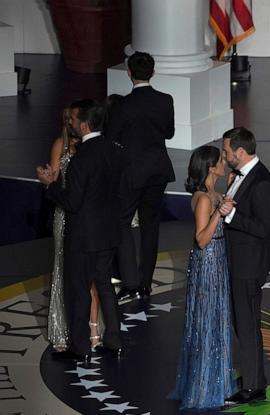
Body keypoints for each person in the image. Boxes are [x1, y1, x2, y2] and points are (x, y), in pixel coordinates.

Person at [43, 99, 124, 362]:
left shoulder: (82, 159)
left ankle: (80, 348)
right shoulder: (114, 150)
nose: (73, 123)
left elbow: (72, 202)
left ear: (85, 123)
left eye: (75, 119)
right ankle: (114, 340)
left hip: (83, 237)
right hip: (109, 233)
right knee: (105, 286)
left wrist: (50, 186)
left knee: (78, 290)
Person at [106, 51, 176, 303]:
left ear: (129, 73)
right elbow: (168, 133)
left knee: (121, 222)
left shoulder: (124, 105)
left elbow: (111, 139)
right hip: (158, 169)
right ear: (153, 72)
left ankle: (130, 282)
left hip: (132, 172)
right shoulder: (165, 100)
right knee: (150, 226)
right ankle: (145, 283)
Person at [170, 146, 236, 410]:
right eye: (221, 160)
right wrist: (218, 213)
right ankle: (204, 386)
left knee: (216, 319)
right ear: (211, 167)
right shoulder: (205, 199)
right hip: (207, 262)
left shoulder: (212, 194)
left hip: (218, 260)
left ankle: (216, 382)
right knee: (207, 321)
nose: (224, 163)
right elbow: (201, 239)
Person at [218, 127, 270, 404]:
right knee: (243, 324)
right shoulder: (243, 176)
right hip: (239, 261)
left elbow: (261, 228)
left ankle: (253, 387)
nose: (224, 155)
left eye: (227, 151)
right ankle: (254, 376)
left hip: (249, 265)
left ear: (240, 152)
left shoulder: (263, 183)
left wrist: (231, 216)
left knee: (247, 324)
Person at [36, 107, 103, 353]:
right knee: (65, 271)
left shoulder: (91, 146)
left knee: (91, 277)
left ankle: (93, 328)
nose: (69, 122)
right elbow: (53, 181)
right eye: (66, 118)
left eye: (73, 118)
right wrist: (47, 180)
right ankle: (61, 329)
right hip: (64, 216)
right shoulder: (60, 146)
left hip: (88, 218)